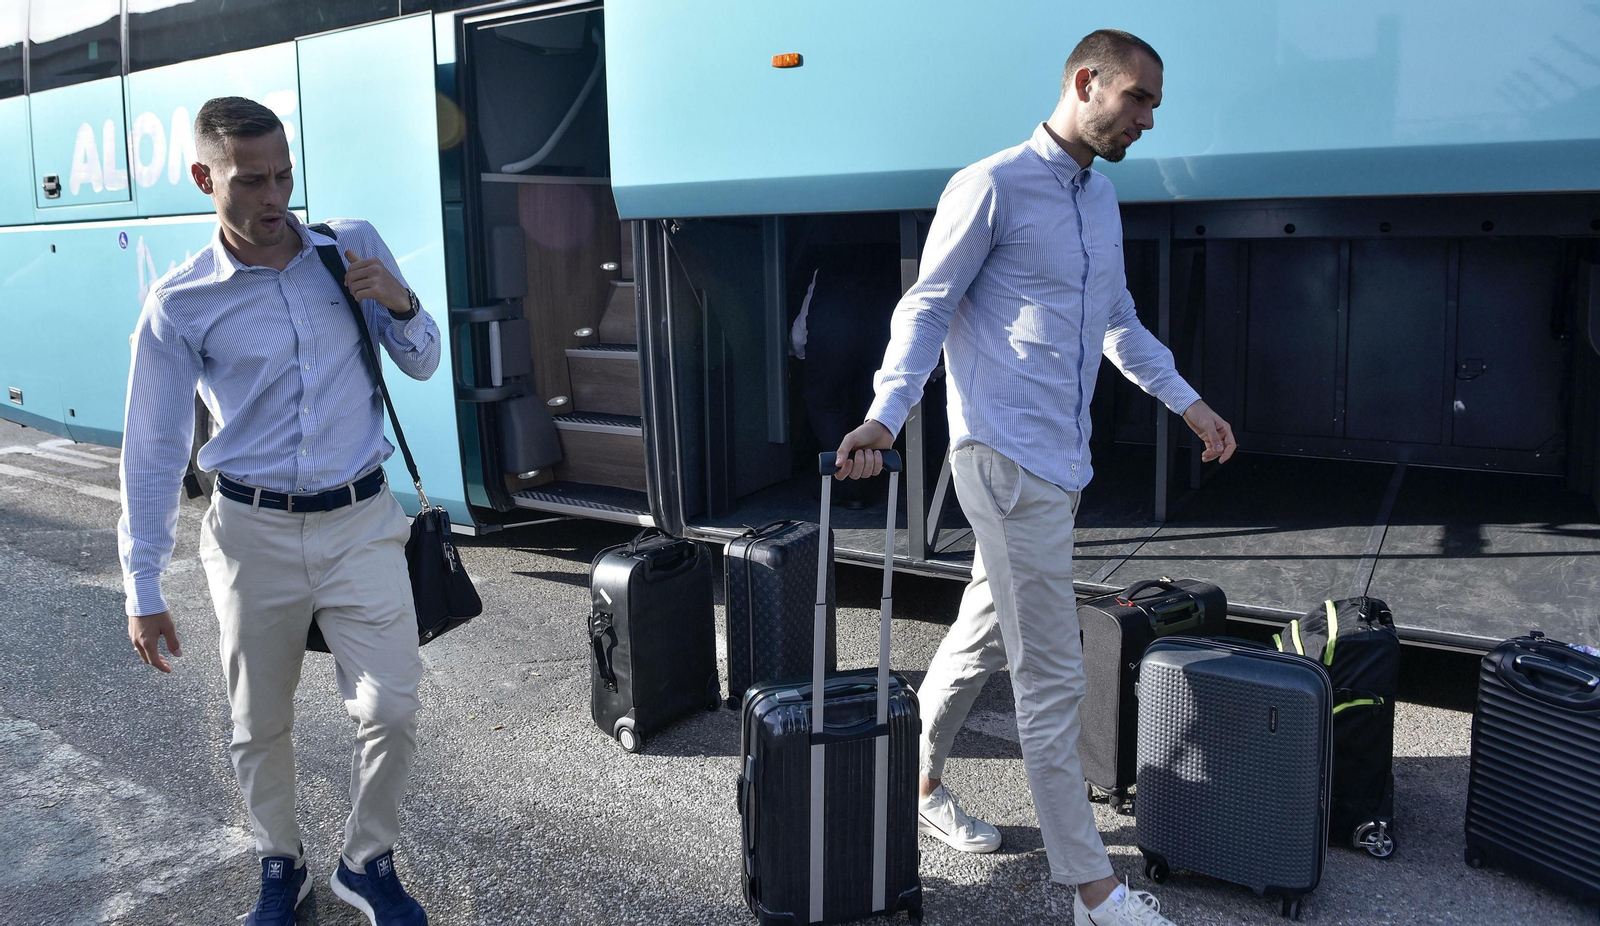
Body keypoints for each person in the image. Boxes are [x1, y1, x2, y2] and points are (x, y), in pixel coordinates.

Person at [833, 30, 1237, 926]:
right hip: (1003, 460)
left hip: (1061, 463)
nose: (1147, 121)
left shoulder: (1102, 200)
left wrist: (1188, 403)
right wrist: (886, 414)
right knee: (1053, 674)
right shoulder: (991, 185)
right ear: (1085, 83)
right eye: (1137, 100)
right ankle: (1090, 886)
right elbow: (927, 307)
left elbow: (1119, 323)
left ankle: (918, 775)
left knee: (982, 629)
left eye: (1155, 108)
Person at [118, 96, 438, 926]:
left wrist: (400, 304)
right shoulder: (179, 303)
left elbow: (425, 362)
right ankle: (280, 862)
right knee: (258, 722)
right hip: (250, 530)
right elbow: (152, 452)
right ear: (203, 178)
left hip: (362, 519)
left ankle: (366, 863)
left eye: (284, 176)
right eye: (250, 180)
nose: (274, 198)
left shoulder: (349, 248)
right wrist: (141, 586)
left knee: (392, 709)